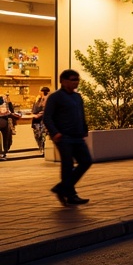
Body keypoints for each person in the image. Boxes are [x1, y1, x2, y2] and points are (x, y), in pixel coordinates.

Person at [44, 69, 91, 205]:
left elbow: (81, 115)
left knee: (86, 161)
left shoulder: (77, 97)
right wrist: (54, 132)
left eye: (77, 79)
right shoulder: (55, 97)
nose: (76, 82)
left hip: (77, 136)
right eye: (72, 79)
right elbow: (47, 117)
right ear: (63, 81)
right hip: (63, 136)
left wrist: (84, 129)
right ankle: (70, 194)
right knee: (68, 164)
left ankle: (62, 189)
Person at [31, 86, 50, 154]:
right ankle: (41, 148)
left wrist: (40, 114)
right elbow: (34, 110)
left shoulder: (48, 99)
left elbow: (46, 110)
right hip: (36, 121)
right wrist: (36, 101)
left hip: (43, 121)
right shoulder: (38, 99)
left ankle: (44, 149)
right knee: (37, 135)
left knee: (43, 135)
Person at [0, 94, 14, 160]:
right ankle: (3, 152)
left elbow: (10, 111)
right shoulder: (2, 100)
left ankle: (4, 152)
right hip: (3, 121)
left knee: (6, 138)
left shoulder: (4, 101)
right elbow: (9, 111)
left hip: (4, 121)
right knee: (6, 138)